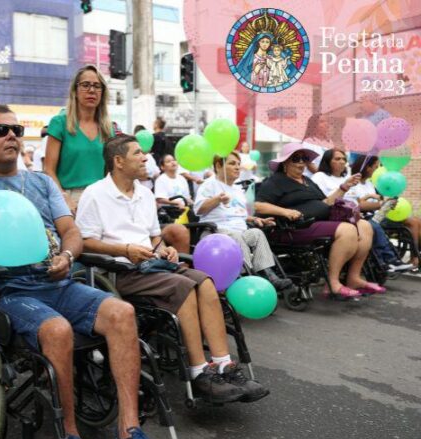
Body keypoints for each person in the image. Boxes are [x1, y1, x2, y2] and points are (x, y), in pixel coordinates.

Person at [0, 105, 156, 439]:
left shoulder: (41, 182)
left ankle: (128, 430)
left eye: (16, 129)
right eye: (1, 130)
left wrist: (67, 255)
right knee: (57, 329)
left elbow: (71, 230)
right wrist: (5, 249)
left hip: (60, 281)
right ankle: (69, 433)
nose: (12, 135)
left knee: (123, 313)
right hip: (10, 292)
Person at [77, 136, 269, 404]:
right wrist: (125, 250)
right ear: (118, 161)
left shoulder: (145, 193)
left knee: (205, 282)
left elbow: (156, 237)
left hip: (154, 265)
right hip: (119, 272)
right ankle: (200, 373)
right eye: (138, 154)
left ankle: (224, 365)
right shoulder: (95, 193)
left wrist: (164, 248)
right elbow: (83, 243)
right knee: (185, 287)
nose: (145, 158)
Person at [255, 143, 383, 299]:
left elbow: (326, 202)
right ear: (285, 162)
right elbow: (258, 205)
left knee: (365, 226)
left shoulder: (308, 181)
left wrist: (344, 188)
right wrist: (285, 211)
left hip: (319, 222)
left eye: (304, 158)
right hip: (295, 228)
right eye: (296, 158)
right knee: (347, 230)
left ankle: (353, 277)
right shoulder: (275, 181)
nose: (302, 162)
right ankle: (333, 283)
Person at [194, 153, 293, 290]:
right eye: (232, 163)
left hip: (238, 230)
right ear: (218, 166)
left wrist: (256, 219)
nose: (237, 167)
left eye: (238, 164)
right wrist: (218, 199)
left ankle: (267, 274)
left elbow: (239, 214)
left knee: (257, 233)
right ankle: (247, 277)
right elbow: (199, 210)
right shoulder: (209, 185)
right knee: (237, 237)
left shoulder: (237, 189)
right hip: (215, 232)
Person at [44, 64, 115, 213]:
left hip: (101, 199)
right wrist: (63, 197)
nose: (91, 90)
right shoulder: (59, 123)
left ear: (102, 92)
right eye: (85, 85)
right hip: (68, 198)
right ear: (75, 91)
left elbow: (110, 173)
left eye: (97, 86)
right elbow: (49, 170)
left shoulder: (108, 129)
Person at [349, 155, 418, 270]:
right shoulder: (352, 183)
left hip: (378, 215)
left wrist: (388, 202)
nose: (378, 170)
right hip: (366, 217)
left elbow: (379, 201)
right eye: (376, 167)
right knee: (374, 224)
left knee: (414, 221)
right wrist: (381, 204)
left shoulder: (370, 184)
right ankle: (392, 260)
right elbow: (358, 205)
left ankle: (415, 257)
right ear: (367, 168)